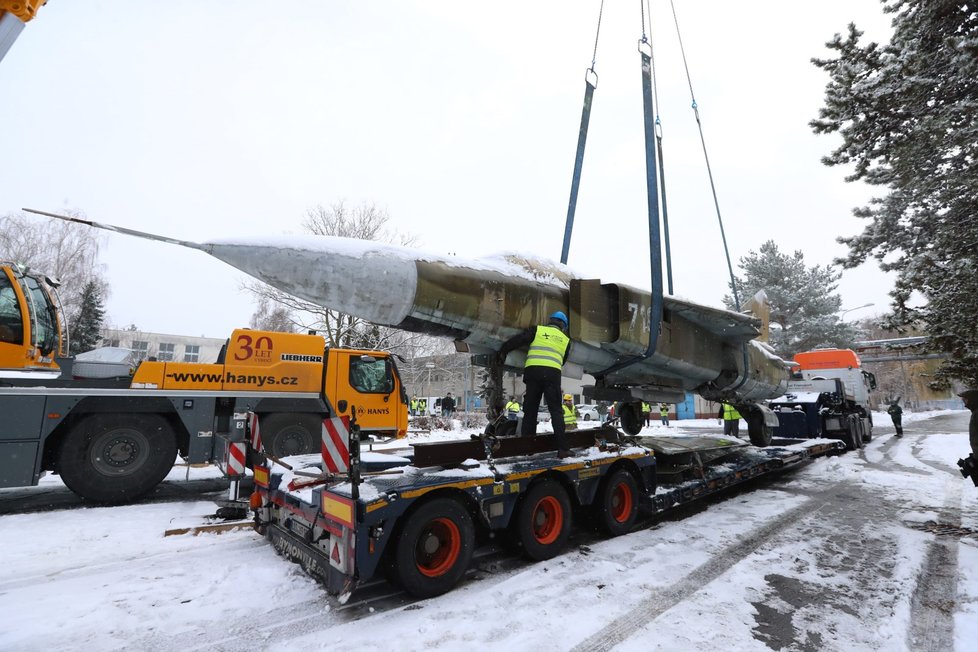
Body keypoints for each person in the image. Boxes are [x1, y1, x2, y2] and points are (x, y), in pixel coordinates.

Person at [497, 311, 574, 456]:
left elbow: (518, 340)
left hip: (533, 373)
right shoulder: (566, 340)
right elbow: (562, 361)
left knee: (530, 410)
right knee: (556, 411)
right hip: (552, 375)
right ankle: (563, 449)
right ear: (563, 326)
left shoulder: (538, 330)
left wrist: (503, 350)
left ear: (550, 321)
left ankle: (528, 447)